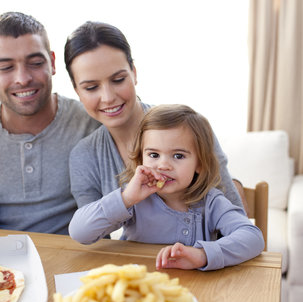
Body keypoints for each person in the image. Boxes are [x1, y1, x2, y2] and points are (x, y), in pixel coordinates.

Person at [64, 21, 248, 216]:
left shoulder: (191, 128)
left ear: (134, 73)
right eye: (91, 87)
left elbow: (236, 220)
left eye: (118, 80)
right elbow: (92, 236)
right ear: (77, 90)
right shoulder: (84, 156)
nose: (108, 97)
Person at [69, 104, 264, 271]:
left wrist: (202, 255)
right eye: (154, 155)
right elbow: (79, 232)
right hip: (137, 287)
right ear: (140, 159)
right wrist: (126, 198)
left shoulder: (211, 202)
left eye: (178, 156)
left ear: (200, 164)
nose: (163, 165)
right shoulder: (134, 199)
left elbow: (253, 238)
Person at [0, 12, 99, 234]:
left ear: (52, 63)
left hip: (76, 262)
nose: (23, 78)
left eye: (35, 63)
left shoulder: (92, 121)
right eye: (5, 67)